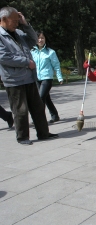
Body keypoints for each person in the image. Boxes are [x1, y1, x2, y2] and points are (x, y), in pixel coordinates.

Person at [0, 7, 58, 145]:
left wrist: (26, 25)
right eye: (14, 21)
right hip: (14, 80)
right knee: (20, 110)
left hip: (29, 77)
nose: (16, 23)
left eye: (17, 20)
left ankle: (43, 133)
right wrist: (27, 62)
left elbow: (34, 40)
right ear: (3, 19)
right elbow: (4, 57)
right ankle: (23, 137)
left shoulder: (19, 32)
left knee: (38, 107)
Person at [31, 31, 63, 123]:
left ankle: (39, 118)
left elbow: (56, 65)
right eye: (38, 38)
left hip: (47, 78)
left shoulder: (50, 52)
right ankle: (55, 115)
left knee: (40, 98)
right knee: (46, 98)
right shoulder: (32, 52)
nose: (40, 40)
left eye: (42, 38)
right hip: (36, 78)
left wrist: (59, 77)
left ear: (45, 39)